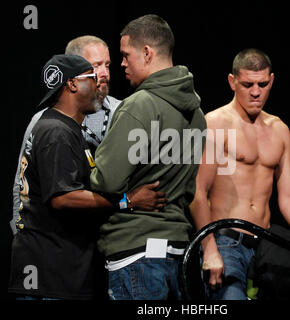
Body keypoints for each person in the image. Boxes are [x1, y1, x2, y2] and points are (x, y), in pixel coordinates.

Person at [8, 54, 165, 300]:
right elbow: (63, 198)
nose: (99, 84)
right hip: (50, 275)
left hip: (58, 271)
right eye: (92, 78)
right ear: (71, 84)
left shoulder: (63, 128)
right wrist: (128, 201)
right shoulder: (56, 131)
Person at [90, 14, 206, 300]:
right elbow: (189, 190)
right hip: (177, 250)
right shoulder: (198, 115)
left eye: (125, 55)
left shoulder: (139, 105)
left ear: (146, 53)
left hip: (135, 251)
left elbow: (105, 180)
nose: (122, 64)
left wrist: (86, 163)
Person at [190, 48, 290, 300]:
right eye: (248, 84)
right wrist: (210, 249)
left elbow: (289, 194)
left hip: (267, 244)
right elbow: (197, 192)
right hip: (226, 242)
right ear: (232, 81)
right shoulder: (215, 123)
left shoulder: (280, 129)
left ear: (272, 80)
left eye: (262, 84)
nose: (256, 92)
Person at [11, 36, 122, 235]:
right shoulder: (48, 124)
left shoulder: (122, 111)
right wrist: (20, 230)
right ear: (72, 77)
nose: (103, 74)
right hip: (56, 239)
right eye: (95, 67)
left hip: (107, 238)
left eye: (107, 65)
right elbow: (24, 183)